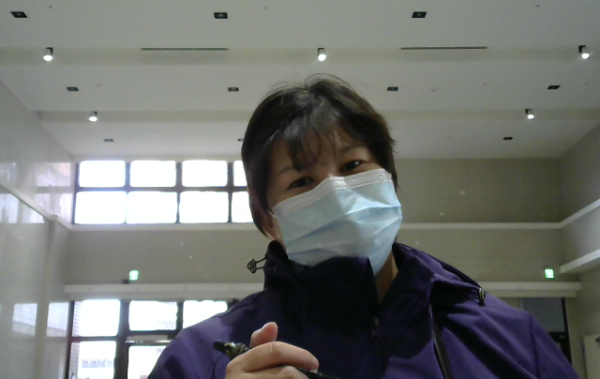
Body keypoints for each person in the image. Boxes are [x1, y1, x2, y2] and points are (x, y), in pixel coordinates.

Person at [149, 74, 578, 378]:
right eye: (302, 181)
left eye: (353, 165)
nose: (337, 192)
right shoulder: (199, 359)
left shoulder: (510, 338)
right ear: (268, 221)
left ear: (388, 180)